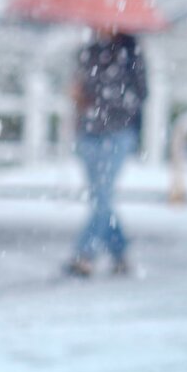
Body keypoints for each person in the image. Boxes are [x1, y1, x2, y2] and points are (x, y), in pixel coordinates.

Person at [67, 26, 148, 277]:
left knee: (102, 196)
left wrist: (107, 99)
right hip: (89, 132)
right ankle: (120, 253)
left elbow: (141, 93)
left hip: (117, 132)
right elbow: (81, 89)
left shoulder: (131, 54)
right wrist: (78, 95)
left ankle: (85, 254)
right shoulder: (87, 52)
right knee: (100, 197)